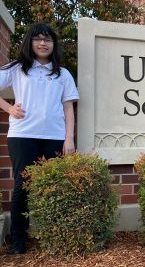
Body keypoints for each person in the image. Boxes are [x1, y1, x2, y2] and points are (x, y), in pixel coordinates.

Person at [0, 23, 79, 254]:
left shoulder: (62, 74)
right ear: (30, 42)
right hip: (23, 136)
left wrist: (69, 138)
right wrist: (9, 109)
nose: (42, 43)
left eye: (47, 39)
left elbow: (68, 108)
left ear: (53, 44)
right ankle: (18, 240)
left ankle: (54, 234)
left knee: (54, 186)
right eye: (38, 39)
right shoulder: (17, 68)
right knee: (22, 186)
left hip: (55, 137)